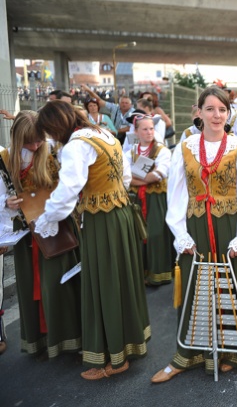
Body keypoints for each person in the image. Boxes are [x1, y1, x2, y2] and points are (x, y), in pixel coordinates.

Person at [154, 86, 237, 382]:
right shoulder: (184, 148)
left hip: (230, 227)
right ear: (199, 112)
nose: (217, 115)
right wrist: (180, 234)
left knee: (233, 288)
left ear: (229, 114)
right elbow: (175, 196)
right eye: (211, 109)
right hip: (196, 227)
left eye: (222, 110)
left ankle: (234, 350)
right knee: (196, 287)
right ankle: (188, 354)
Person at [33, 101, 150, 380]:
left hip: (102, 220)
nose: (50, 137)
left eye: (49, 131)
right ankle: (129, 344)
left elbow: (68, 190)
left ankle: (115, 357)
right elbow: (124, 177)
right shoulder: (104, 134)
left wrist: (47, 218)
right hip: (120, 213)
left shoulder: (76, 144)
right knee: (122, 279)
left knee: (104, 283)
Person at [0, 111, 82, 359]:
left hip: (58, 228)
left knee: (59, 284)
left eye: (39, 140)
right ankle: (39, 341)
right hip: (25, 233)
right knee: (31, 285)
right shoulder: (5, 159)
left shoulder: (56, 153)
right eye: (29, 141)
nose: (35, 146)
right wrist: (7, 202)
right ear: (17, 138)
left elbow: (73, 189)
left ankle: (68, 338)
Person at [125, 113, 173, 286]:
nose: (149, 132)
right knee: (137, 234)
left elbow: (158, 176)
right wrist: (140, 179)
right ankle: (142, 272)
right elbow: (125, 177)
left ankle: (159, 273)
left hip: (156, 198)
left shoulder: (162, 151)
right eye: (144, 129)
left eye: (151, 128)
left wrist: (136, 180)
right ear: (136, 132)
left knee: (155, 234)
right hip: (137, 198)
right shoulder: (130, 152)